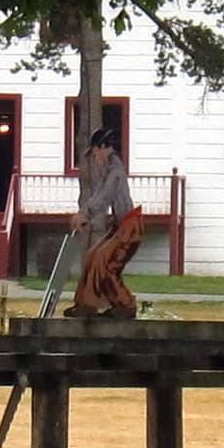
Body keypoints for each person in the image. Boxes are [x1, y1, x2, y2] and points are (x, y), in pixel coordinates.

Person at [72, 119, 147, 319]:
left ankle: (125, 305)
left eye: (95, 151)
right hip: (120, 226)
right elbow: (101, 195)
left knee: (106, 264)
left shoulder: (114, 170)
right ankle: (86, 304)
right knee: (92, 256)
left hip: (130, 227)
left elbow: (104, 196)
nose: (94, 156)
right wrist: (86, 213)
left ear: (104, 147)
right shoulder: (109, 168)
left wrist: (85, 214)